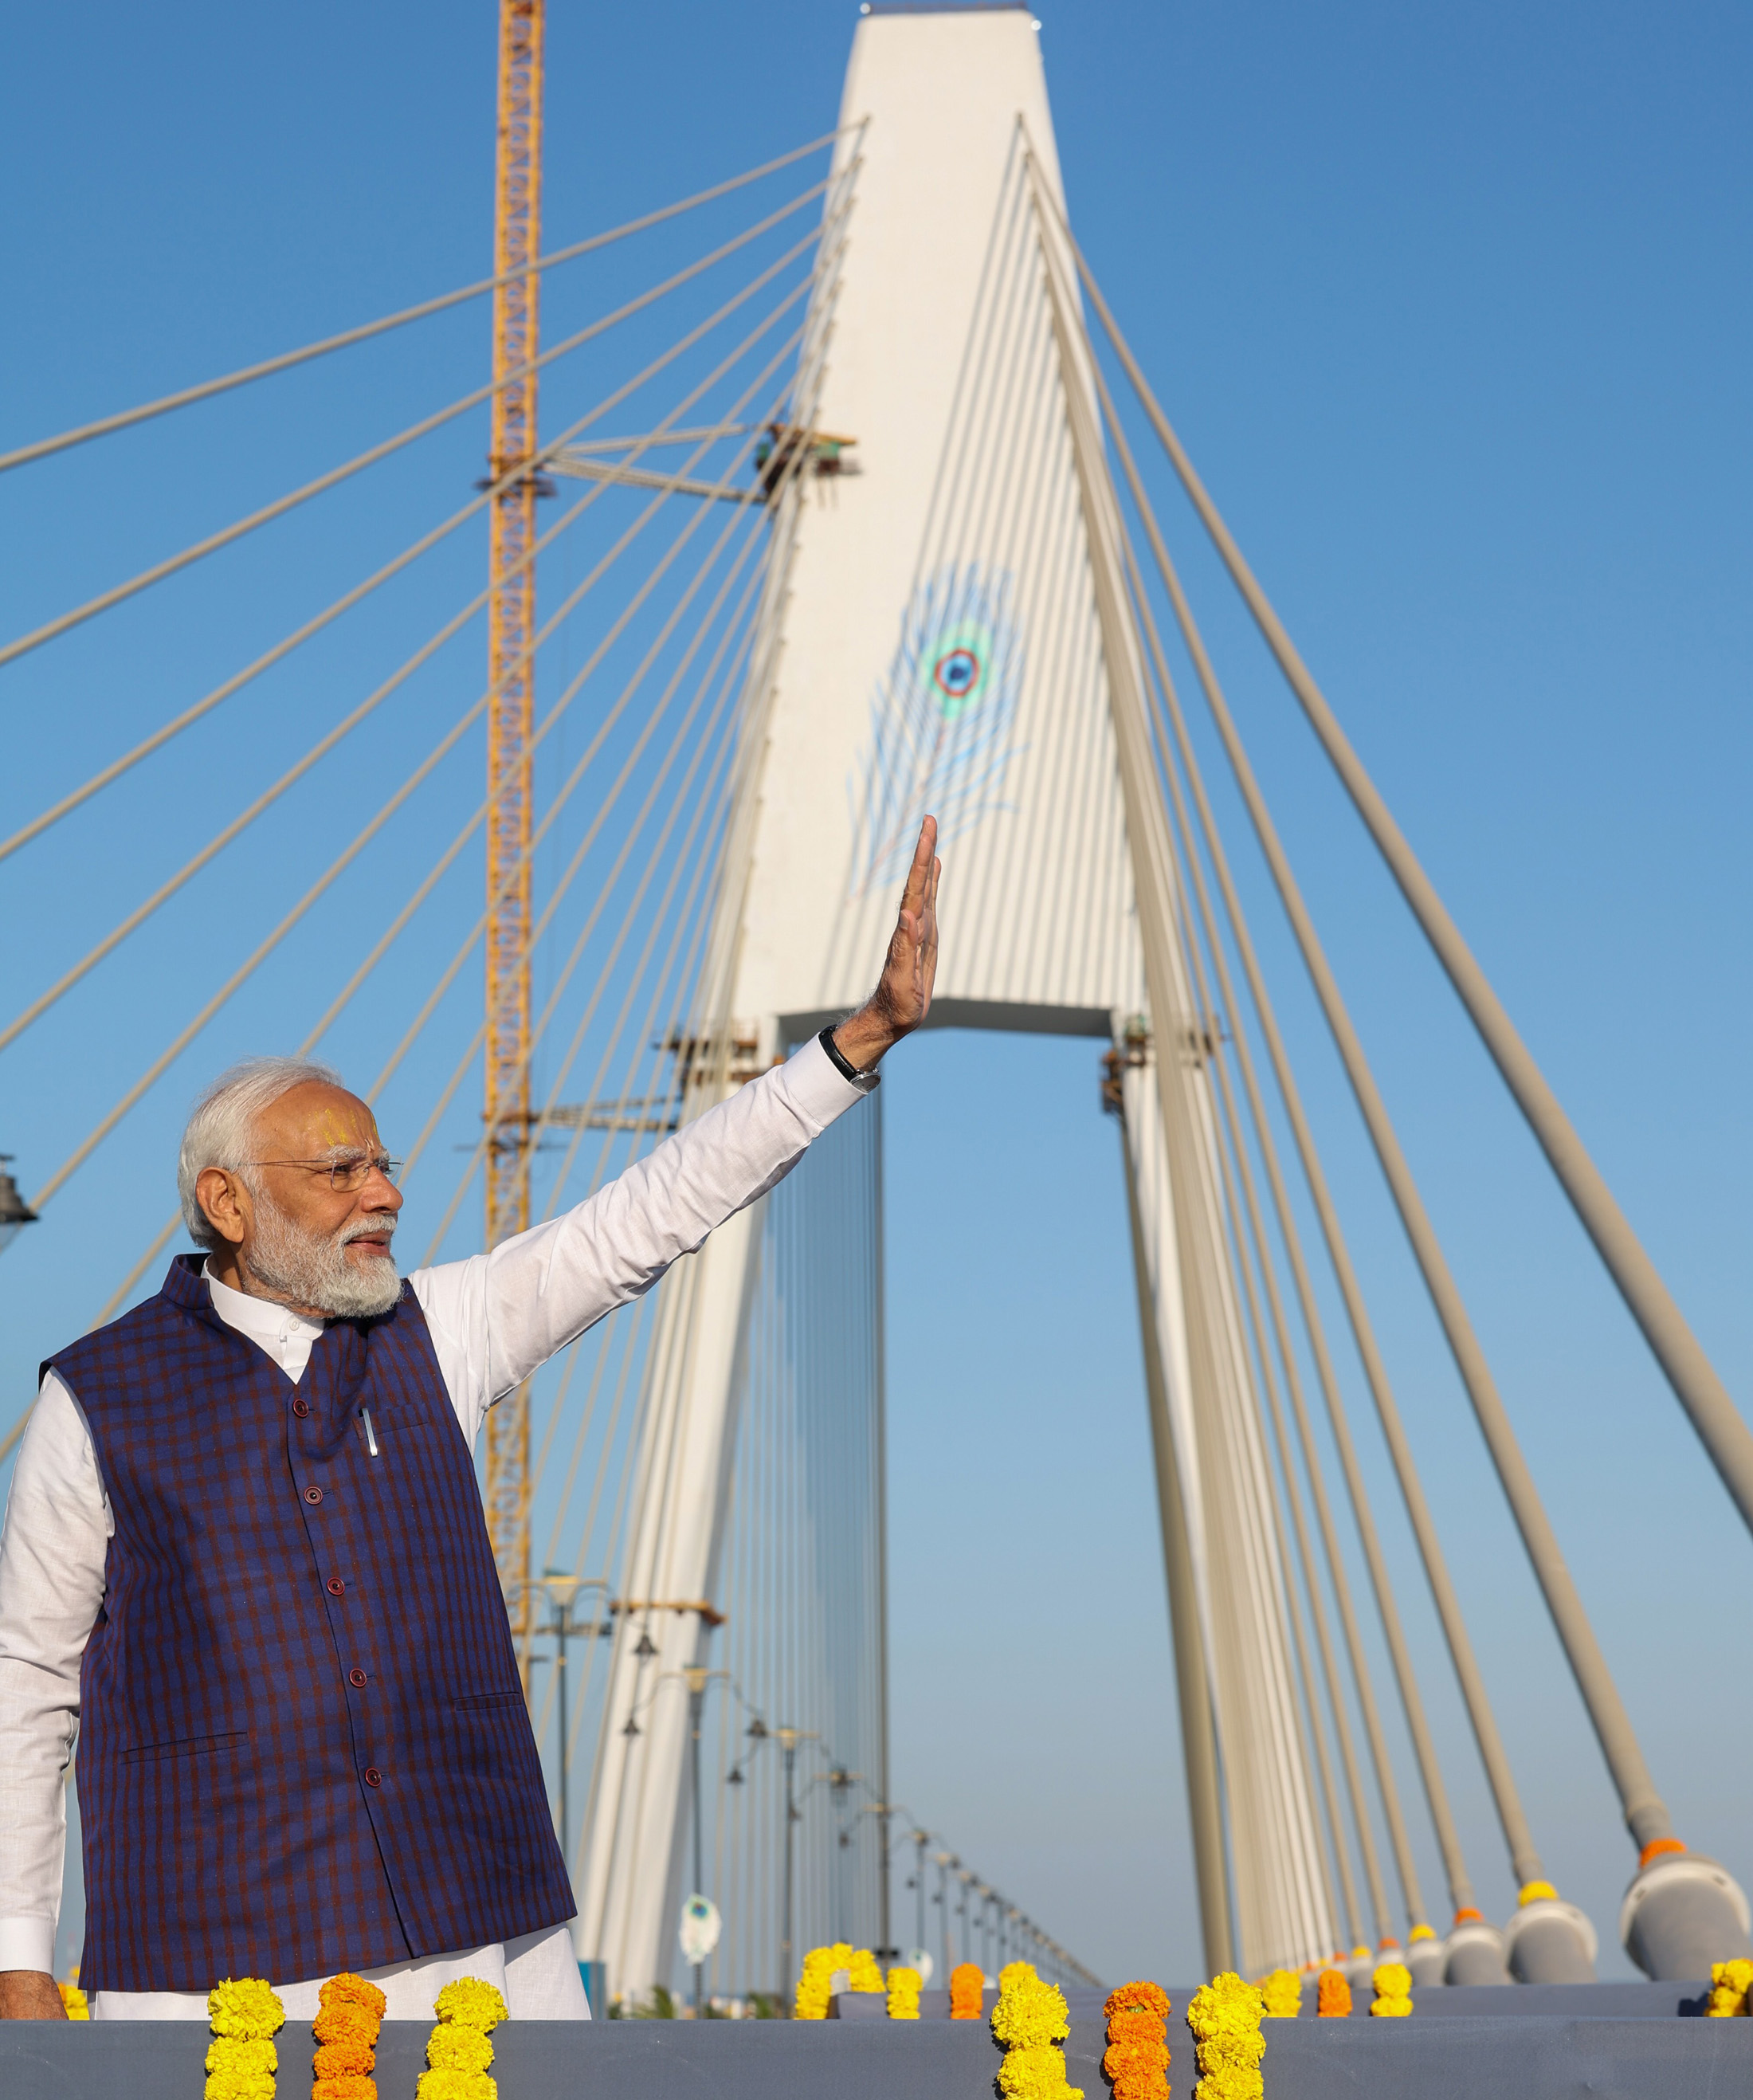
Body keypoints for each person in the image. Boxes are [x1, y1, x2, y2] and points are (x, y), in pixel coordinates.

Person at [0, 820, 940, 2021]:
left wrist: (855, 1045)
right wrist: (19, 1954)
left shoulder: (441, 1328)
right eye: (340, 1171)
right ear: (227, 1202)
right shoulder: (97, 1398)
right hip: (214, 1966)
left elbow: (647, 1215)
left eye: (383, 1165)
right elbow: (29, 1682)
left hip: (488, 1938)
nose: (385, 1192)